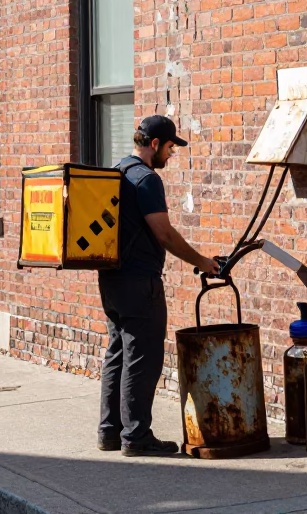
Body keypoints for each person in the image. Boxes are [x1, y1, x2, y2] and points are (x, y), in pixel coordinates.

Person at [98, 115, 219, 457]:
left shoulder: (117, 171)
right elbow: (164, 233)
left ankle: (109, 432)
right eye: (169, 147)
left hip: (111, 279)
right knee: (142, 359)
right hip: (139, 283)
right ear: (154, 144)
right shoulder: (147, 180)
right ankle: (136, 437)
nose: (171, 153)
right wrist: (202, 261)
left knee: (117, 354)